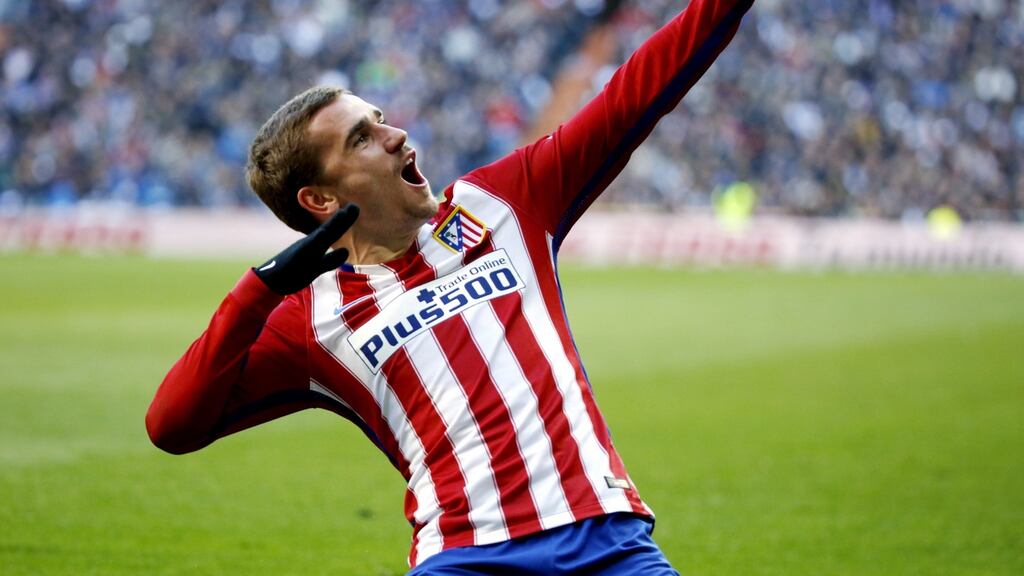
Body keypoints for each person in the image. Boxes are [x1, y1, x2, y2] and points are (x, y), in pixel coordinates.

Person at [146, 1, 754, 573]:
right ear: (321, 199)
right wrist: (259, 292)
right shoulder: (309, 319)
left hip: (606, 539)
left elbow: (637, 92)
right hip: (465, 555)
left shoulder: (505, 203)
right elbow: (172, 426)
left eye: (379, 120)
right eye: (361, 137)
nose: (396, 136)